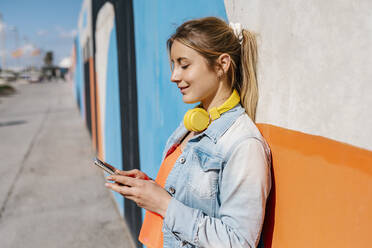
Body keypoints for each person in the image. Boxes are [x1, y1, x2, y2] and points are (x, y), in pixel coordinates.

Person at [105, 16, 272, 248]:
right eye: (174, 65)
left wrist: (163, 203)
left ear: (222, 65)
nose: (174, 76)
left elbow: (238, 241)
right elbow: (195, 201)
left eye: (184, 65)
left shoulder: (243, 144)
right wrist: (150, 188)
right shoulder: (192, 123)